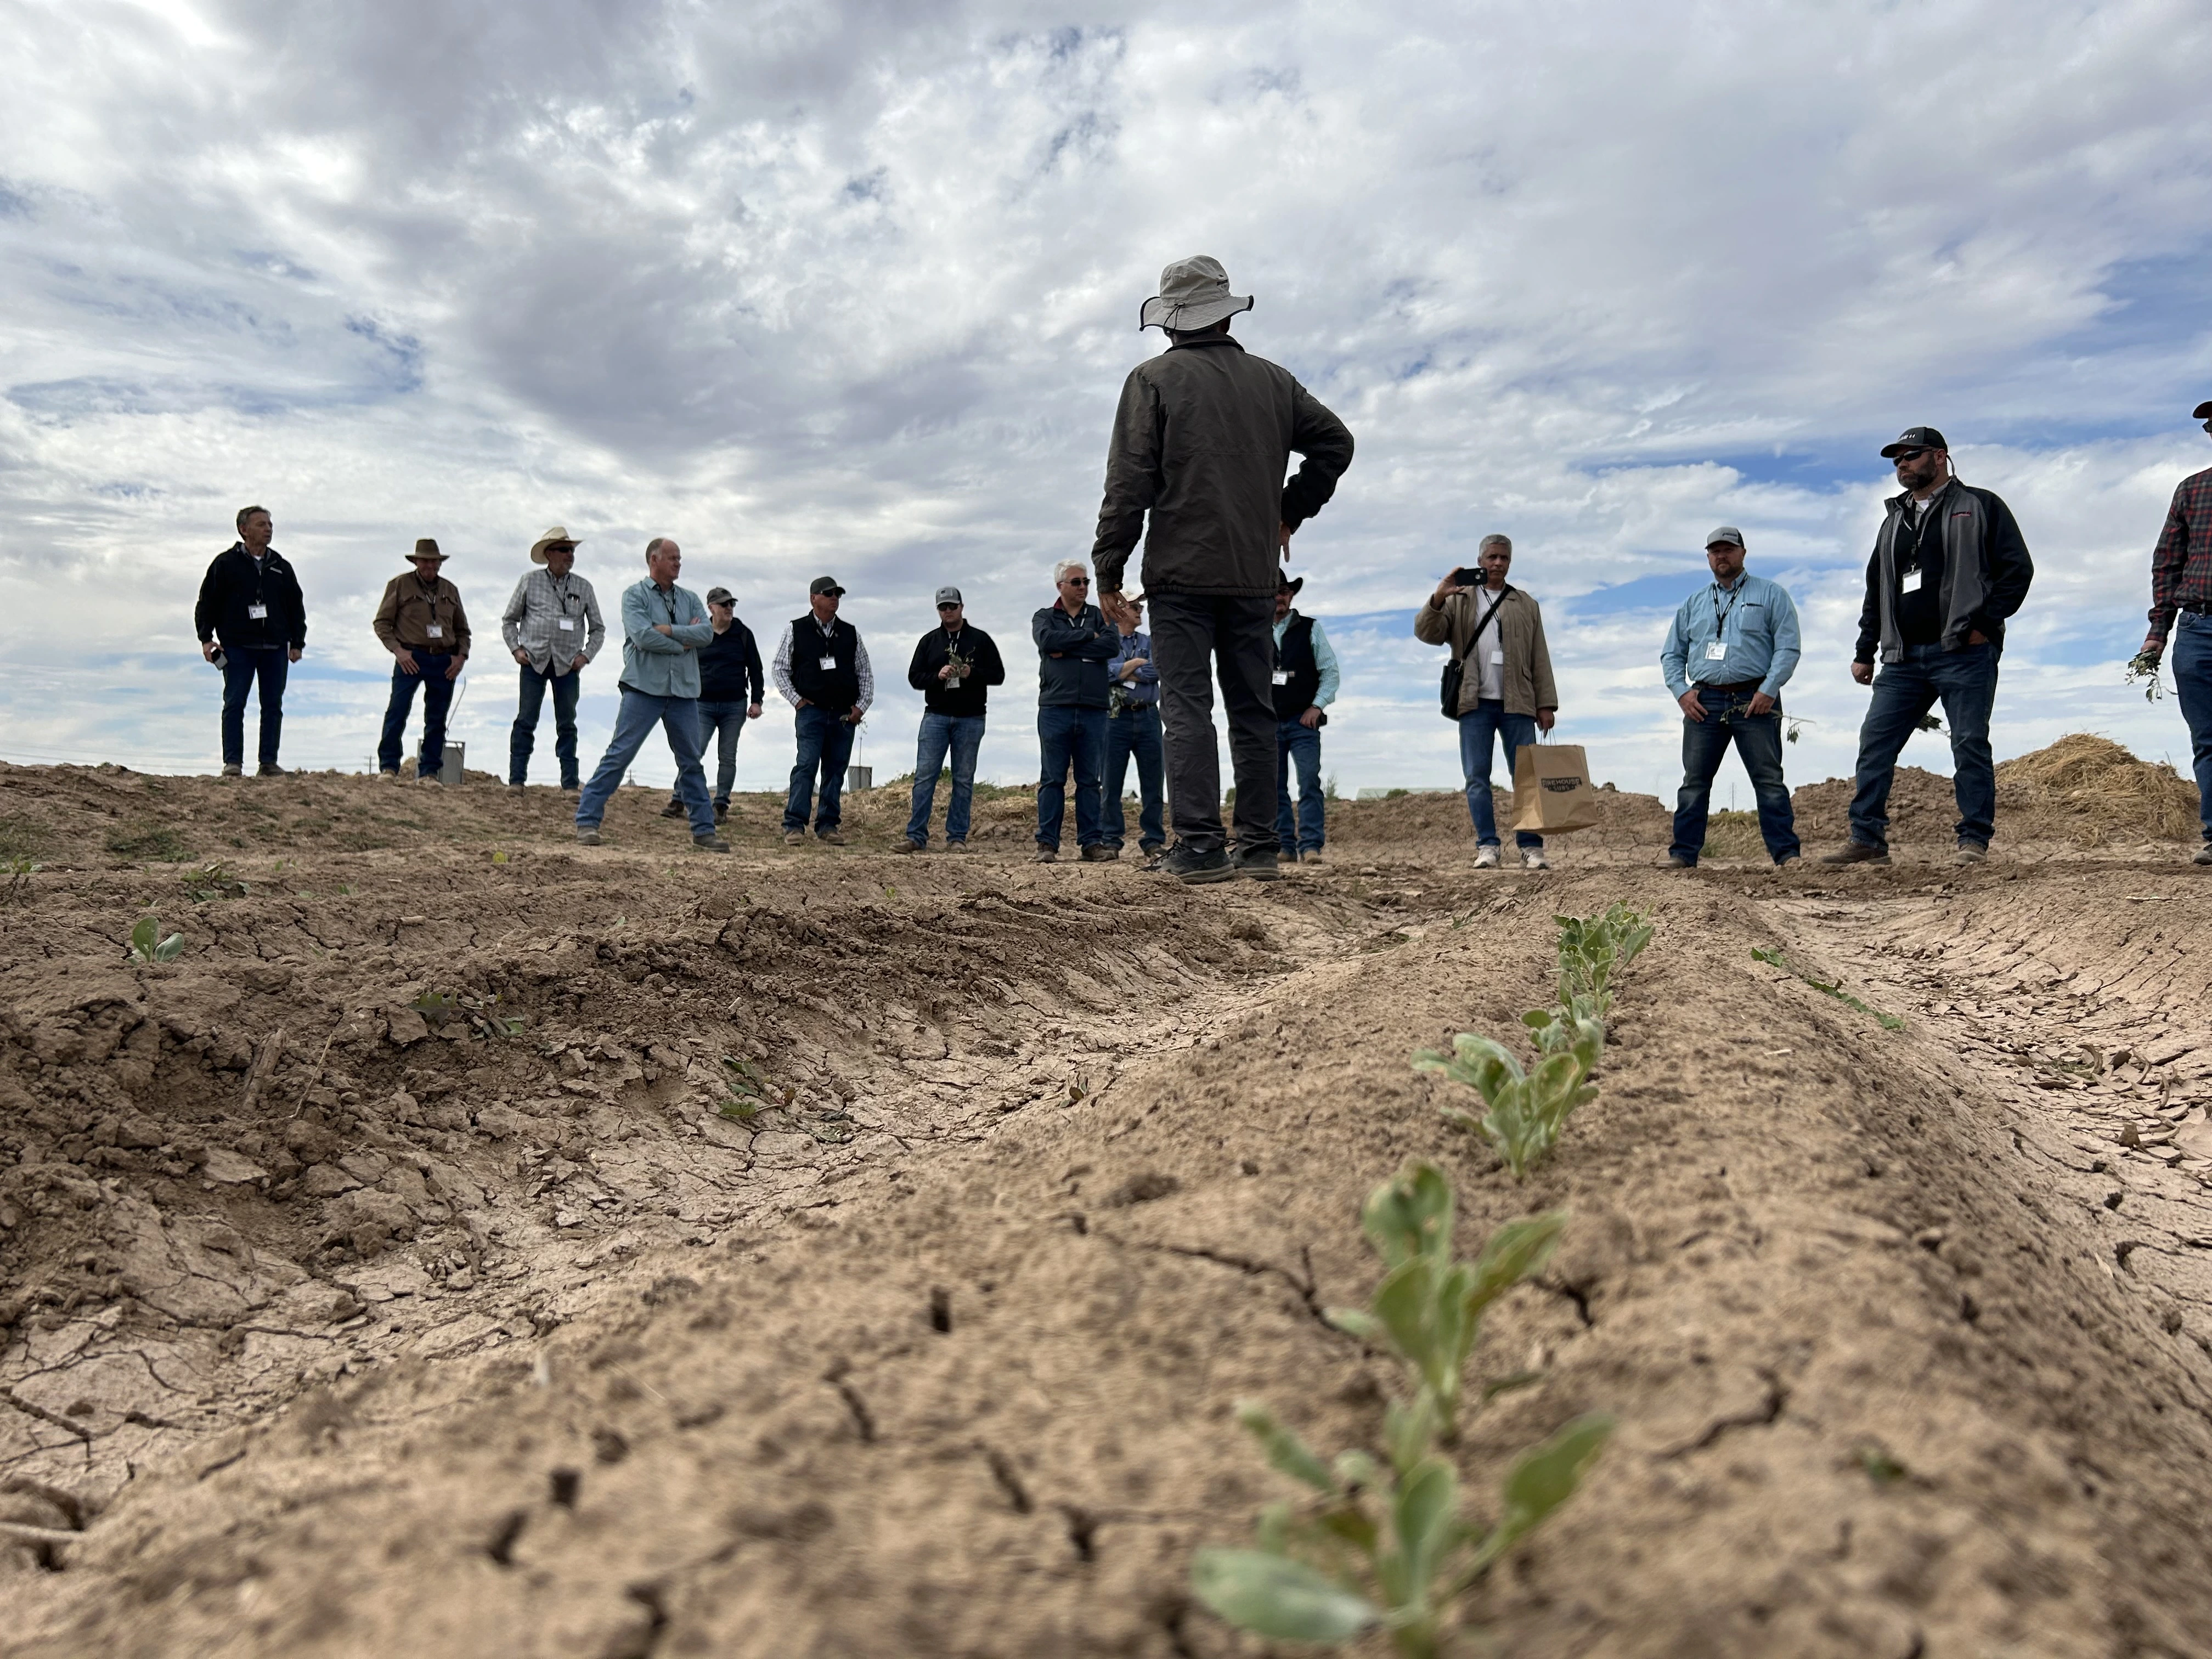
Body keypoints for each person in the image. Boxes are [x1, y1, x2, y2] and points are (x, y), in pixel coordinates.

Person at [1093, 255, 1355, 884]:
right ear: (1226, 316)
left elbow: (1128, 484)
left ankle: (1202, 847)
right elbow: (1336, 443)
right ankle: (1260, 847)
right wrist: (1289, 511)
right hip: (1253, 575)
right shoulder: (1275, 382)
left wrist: (1108, 569)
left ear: (1171, 322)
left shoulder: (1152, 379)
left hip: (1181, 575)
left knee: (1186, 707)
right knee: (1253, 708)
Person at [1822, 426, 2035, 867]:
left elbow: (2017, 570)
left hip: (1964, 653)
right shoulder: (1892, 522)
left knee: (1969, 743)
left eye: (1911, 455)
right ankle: (1867, 840)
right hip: (1902, 659)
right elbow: (1876, 589)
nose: (1902, 464)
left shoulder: (1980, 505)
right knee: (1875, 743)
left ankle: (1973, 841)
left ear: (1939, 457)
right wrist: (1865, 650)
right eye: (1897, 459)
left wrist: (1983, 624)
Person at [1657, 527, 1803, 868]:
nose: (1721, 556)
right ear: (1708, 557)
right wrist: (1681, 693)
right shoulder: (1693, 604)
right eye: (1715, 551)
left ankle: (1787, 855)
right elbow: (1672, 655)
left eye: (1728, 549)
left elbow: (1788, 647)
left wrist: (1768, 690)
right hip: (1704, 703)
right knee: (1694, 782)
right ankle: (1683, 854)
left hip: (1756, 701)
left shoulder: (1771, 595)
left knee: (1768, 780)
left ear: (1743, 553)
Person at [1414, 534, 1559, 868]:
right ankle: (1488, 847)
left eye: (1504, 558)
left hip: (1518, 703)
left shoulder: (1526, 603)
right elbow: (1427, 634)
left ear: (1510, 562)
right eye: (1492, 557)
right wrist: (1439, 596)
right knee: (1476, 777)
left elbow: (1539, 655)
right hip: (1474, 701)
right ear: (1480, 561)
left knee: (1526, 778)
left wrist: (1546, 703)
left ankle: (1531, 847)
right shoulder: (1460, 599)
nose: (1497, 563)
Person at [574, 539, 724, 851]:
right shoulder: (634, 595)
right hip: (643, 687)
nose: (678, 563)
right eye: (672, 558)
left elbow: (707, 633)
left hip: (683, 691)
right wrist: (683, 643)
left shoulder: (690, 598)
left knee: (691, 762)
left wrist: (668, 630)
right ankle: (587, 821)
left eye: (680, 559)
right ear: (654, 560)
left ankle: (704, 831)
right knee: (620, 755)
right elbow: (642, 637)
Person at [2140, 400, 2212, 867]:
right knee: (2208, 739)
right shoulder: (2192, 490)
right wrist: (2157, 632)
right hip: (2198, 628)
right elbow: (2167, 562)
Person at [195, 505, 306, 777]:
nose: (268, 529)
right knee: (234, 703)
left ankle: (268, 762)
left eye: (270, 524)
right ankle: (233, 763)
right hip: (237, 647)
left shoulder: (281, 566)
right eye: (261, 524)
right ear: (243, 530)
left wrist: (297, 643)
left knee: (273, 706)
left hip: (275, 648)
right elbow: (207, 603)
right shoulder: (225, 564)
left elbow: (296, 607)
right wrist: (206, 639)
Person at [899, 586, 1006, 853]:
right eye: (943, 607)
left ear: (961, 607)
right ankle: (916, 837)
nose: (948, 611)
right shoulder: (929, 641)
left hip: (971, 718)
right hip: (936, 716)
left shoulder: (980, 639)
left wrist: (971, 673)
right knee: (925, 777)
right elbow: (914, 678)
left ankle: (957, 837)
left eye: (952, 606)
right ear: (938, 610)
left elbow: (998, 675)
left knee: (963, 779)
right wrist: (937, 676)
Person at [501, 526, 605, 794]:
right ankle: (516, 781)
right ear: (549, 554)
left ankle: (570, 784)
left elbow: (598, 629)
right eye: (564, 550)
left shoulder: (584, 587)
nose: (570, 555)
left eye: (571, 550)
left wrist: (586, 656)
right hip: (534, 662)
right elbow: (509, 620)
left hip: (567, 665)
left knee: (567, 724)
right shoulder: (529, 581)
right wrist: (516, 650)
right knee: (526, 720)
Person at [773, 577, 872, 846]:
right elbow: (779, 668)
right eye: (828, 594)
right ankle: (794, 825)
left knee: (835, 770)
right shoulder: (796, 630)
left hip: (843, 716)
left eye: (837, 594)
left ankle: (828, 825)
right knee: (806, 766)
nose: (834, 598)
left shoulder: (850, 633)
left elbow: (865, 672)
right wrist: (797, 701)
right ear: (813, 598)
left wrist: (860, 707)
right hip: (811, 712)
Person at [1033, 560, 1119, 862]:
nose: (1083, 587)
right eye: (1076, 582)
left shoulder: (1100, 616)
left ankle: (1092, 843)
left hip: (1094, 709)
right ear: (1061, 586)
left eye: (1086, 582)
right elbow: (1047, 641)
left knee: (1090, 781)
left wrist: (1066, 648)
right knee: (1053, 779)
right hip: (1055, 708)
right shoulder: (1044, 617)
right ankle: (1047, 844)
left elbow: (1111, 647)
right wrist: (1087, 637)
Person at [661, 586, 763, 824]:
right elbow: (682, 660)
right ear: (711, 608)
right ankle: (679, 800)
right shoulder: (700, 633)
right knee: (693, 751)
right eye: (724, 604)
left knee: (727, 756)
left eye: (731, 604)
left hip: (734, 705)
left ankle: (721, 806)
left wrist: (757, 701)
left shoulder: (743, 634)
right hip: (702, 704)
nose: (729, 608)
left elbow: (755, 669)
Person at [373, 540, 471, 784]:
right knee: (397, 711)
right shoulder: (399, 585)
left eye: (434, 561)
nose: (430, 566)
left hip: (444, 660)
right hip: (411, 658)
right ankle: (389, 768)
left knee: (437, 719)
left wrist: (460, 657)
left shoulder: (450, 590)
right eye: (425, 561)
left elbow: (463, 630)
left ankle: (429, 773)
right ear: (416, 561)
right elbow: (382, 623)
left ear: (440, 563)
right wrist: (399, 651)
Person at [1272, 572, 1339, 864]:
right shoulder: (1254, 631)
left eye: (1285, 591)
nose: (1280, 597)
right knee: (1274, 787)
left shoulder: (1311, 628)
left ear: (1292, 596)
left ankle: (1310, 846)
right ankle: (1284, 846)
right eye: (1275, 591)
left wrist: (1317, 706)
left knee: (1309, 782)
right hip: (1269, 723)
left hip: (1303, 722)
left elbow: (1330, 672)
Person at [1101, 595, 1165, 865]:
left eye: (1141, 607)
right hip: (1115, 718)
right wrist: (1137, 663)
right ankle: (1110, 840)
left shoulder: (1150, 642)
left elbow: (1156, 672)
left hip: (1148, 716)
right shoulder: (1106, 642)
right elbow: (1103, 674)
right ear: (1119, 611)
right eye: (1135, 606)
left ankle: (1153, 841)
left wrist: (1122, 672)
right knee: (1111, 783)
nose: (1140, 610)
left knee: (1153, 783)